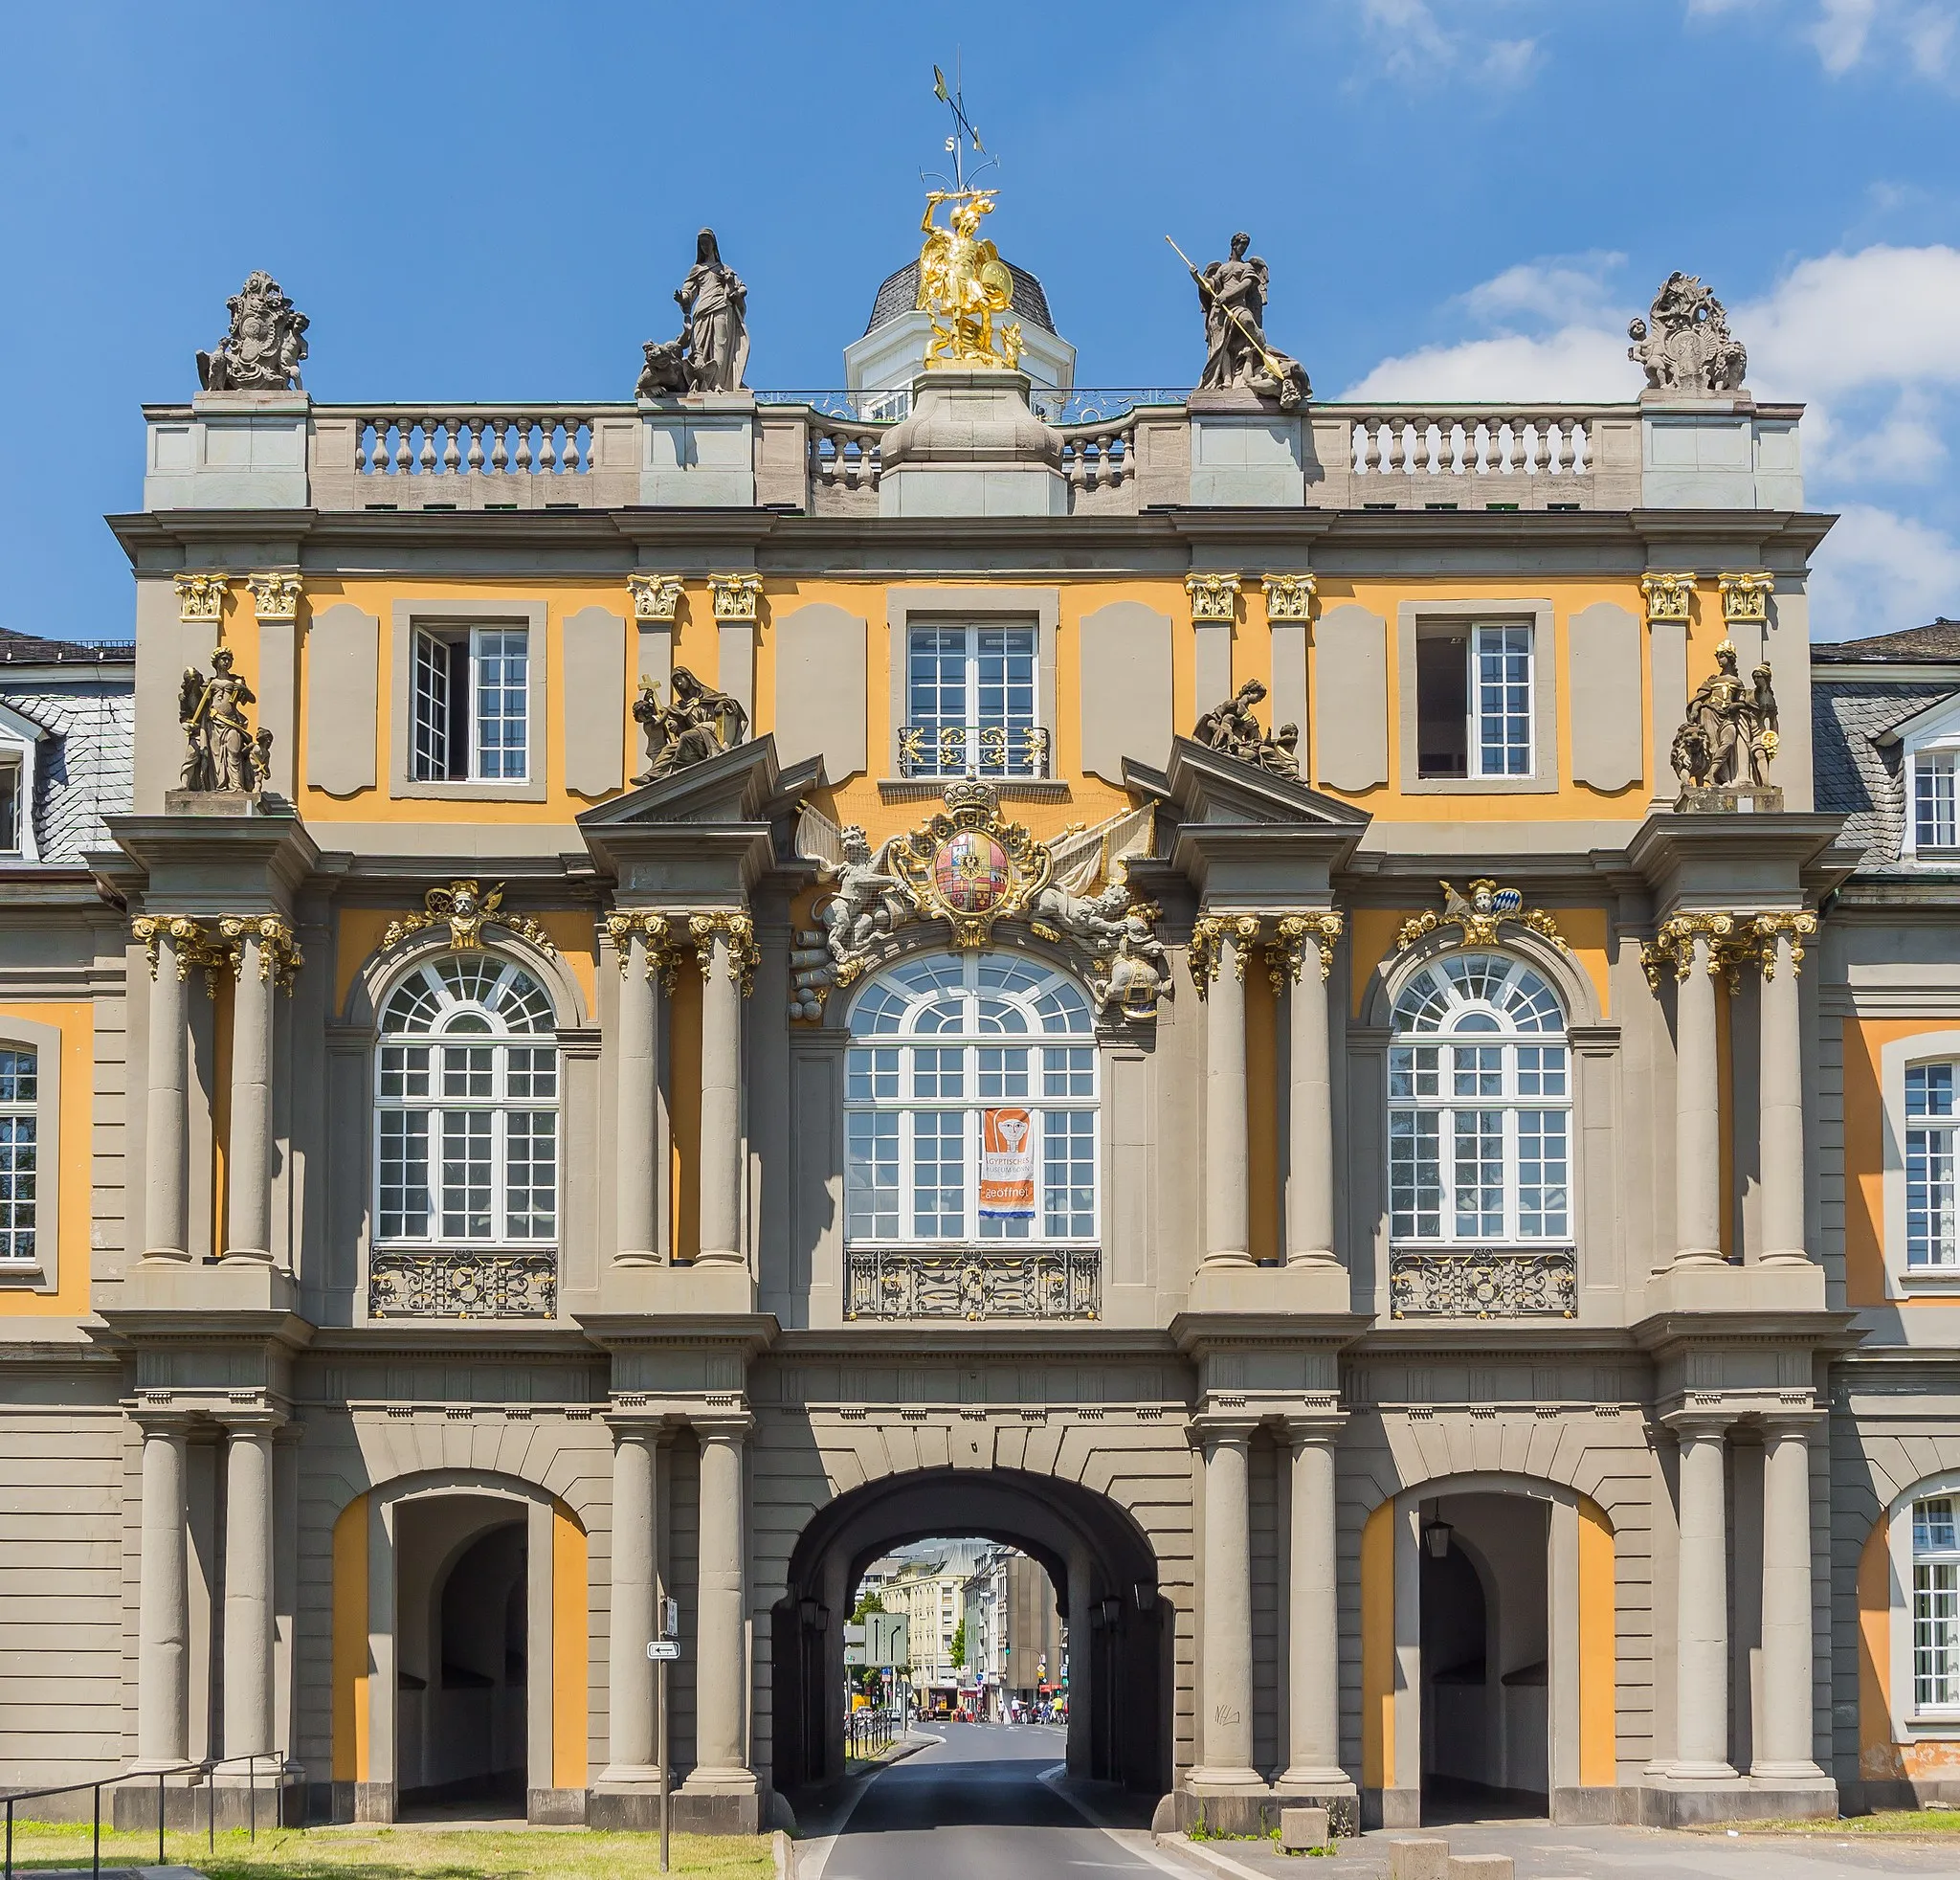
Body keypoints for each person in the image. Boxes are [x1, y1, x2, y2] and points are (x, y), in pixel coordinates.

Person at [675, 229, 749, 392]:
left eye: (707, 243)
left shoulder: (725, 268)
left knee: (720, 345)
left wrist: (734, 289)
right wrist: (683, 298)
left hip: (722, 307)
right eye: (702, 244)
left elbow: (741, 288)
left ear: (713, 244)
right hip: (702, 310)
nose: (705, 246)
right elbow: (689, 291)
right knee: (699, 348)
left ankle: (719, 384)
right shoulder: (697, 269)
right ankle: (701, 383)